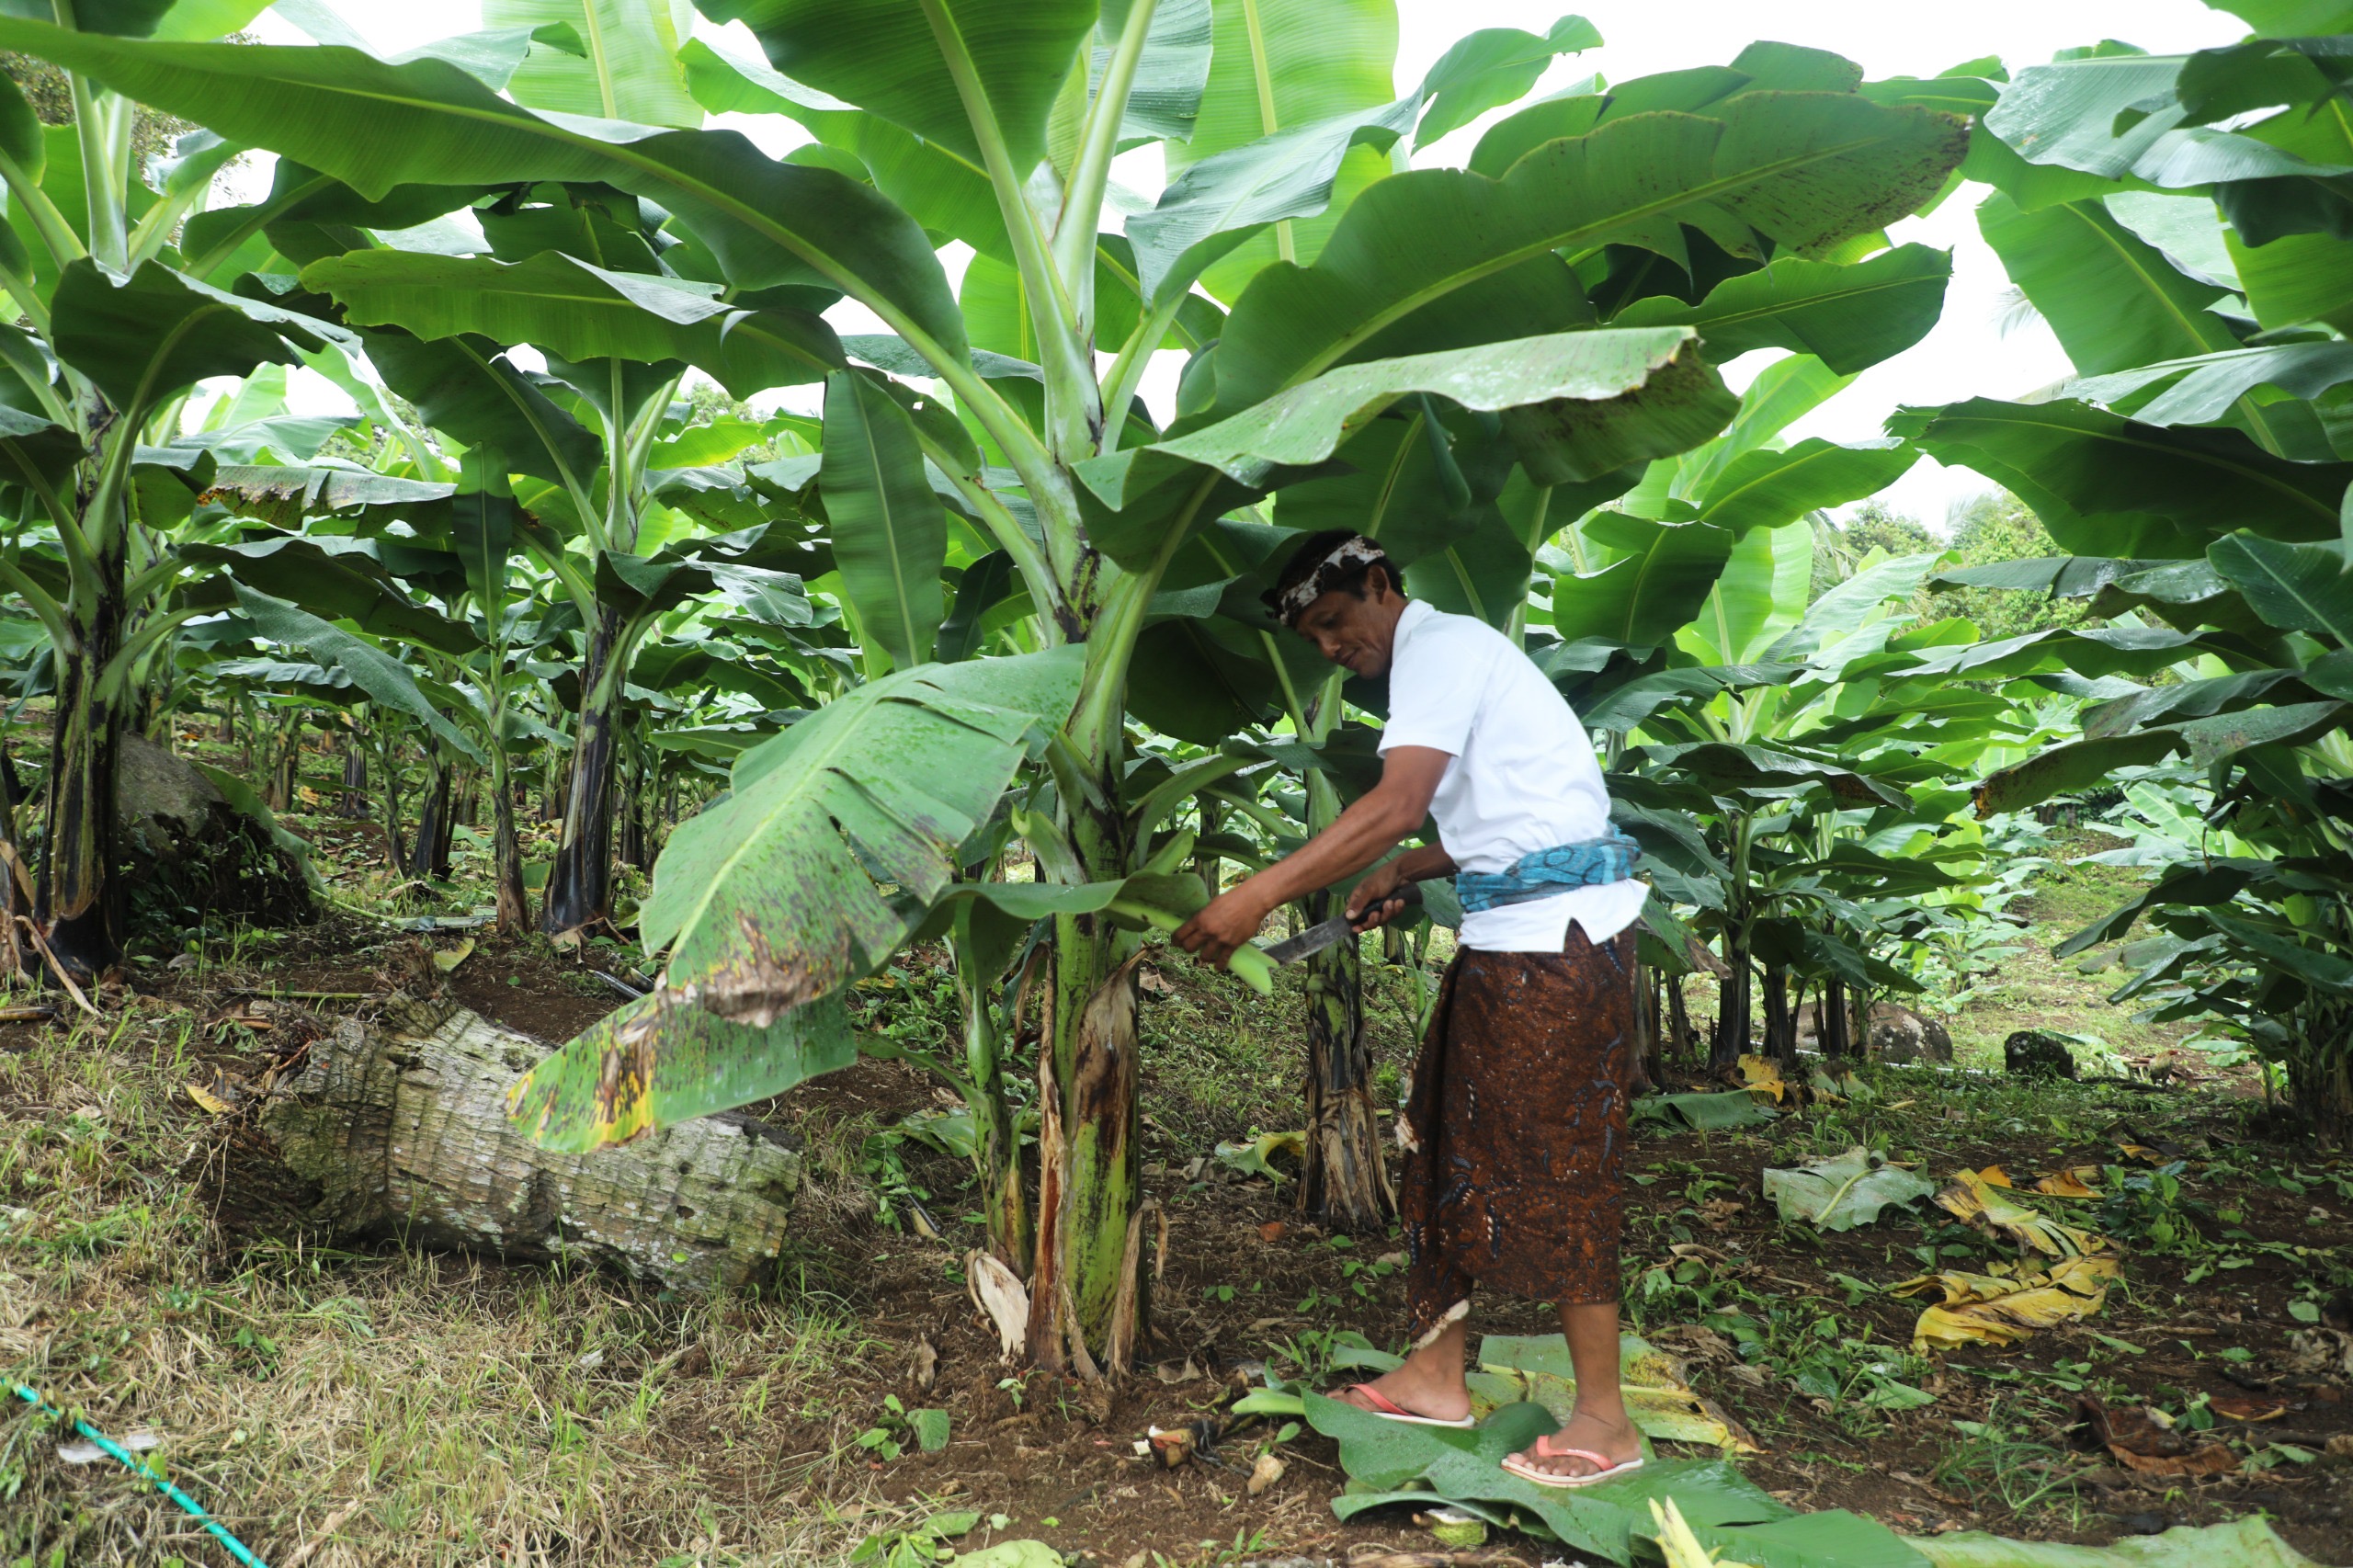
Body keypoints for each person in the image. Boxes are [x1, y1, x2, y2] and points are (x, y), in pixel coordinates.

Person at [1174, 529, 1649, 1489]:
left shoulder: (1441, 649)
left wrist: (1257, 894)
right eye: (1312, 638)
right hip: (1513, 940)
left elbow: (1398, 802)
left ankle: (1607, 1418)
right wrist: (1412, 866)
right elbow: (1519, 811)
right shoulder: (1448, 659)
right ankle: (1435, 1373)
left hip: (1559, 945)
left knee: (1563, 1170)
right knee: (1442, 1145)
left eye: (1334, 621)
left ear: (1381, 586)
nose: (1329, 647)